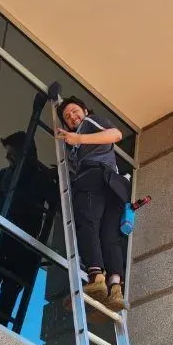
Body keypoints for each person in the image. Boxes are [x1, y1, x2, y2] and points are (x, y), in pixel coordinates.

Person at [0, 129, 58, 329]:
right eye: (8, 154)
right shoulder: (5, 174)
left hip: (20, 245)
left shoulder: (39, 177)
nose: (8, 158)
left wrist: (58, 180)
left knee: (7, 300)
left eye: (12, 154)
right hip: (0, 240)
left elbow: (56, 202)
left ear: (25, 153)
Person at [56, 96, 129, 312]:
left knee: (88, 223)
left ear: (85, 110)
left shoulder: (89, 123)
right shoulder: (73, 145)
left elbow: (116, 135)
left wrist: (77, 139)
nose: (72, 117)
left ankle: (96, 276)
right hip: (113, 186)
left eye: (75, 111)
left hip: (96, 177)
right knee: (109, 237)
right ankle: (115, 288)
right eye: (67, 117)